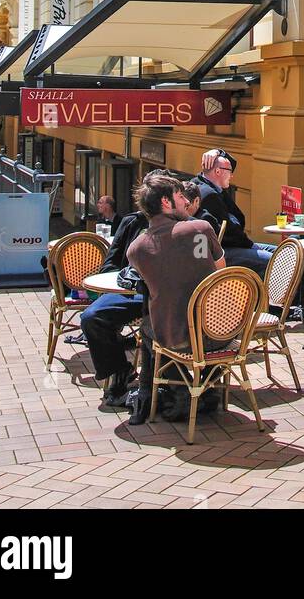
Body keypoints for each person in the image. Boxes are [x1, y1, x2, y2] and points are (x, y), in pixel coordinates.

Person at [126, 171, 225, 424]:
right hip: (221, 333)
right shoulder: (201, 228)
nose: (187, 202)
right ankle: (205, 386)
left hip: (177, 341)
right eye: (180, 197)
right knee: (165, 324)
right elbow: (223, 276)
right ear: (166, 203)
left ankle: (165, 393)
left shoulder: (136, 250)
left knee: (150, 328)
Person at [80, 206, 149, 409]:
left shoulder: (179, 225)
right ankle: (119, 369)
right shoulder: (131, 222)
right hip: (128, 291)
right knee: (91, 317)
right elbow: (110, 263)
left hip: (159, 294)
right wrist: (122, 279)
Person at [193, 148, 275, 278]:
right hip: (222, 251)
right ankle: (268, 297)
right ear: (218, 171)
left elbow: (230, 163)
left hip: (235, 244)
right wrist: (252, 247)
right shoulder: (209, 194)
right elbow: (228, 233)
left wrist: (218, 151)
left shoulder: (208, 184)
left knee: (285, 253)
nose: (232, 176)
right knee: (275, 261)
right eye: (230, 172)